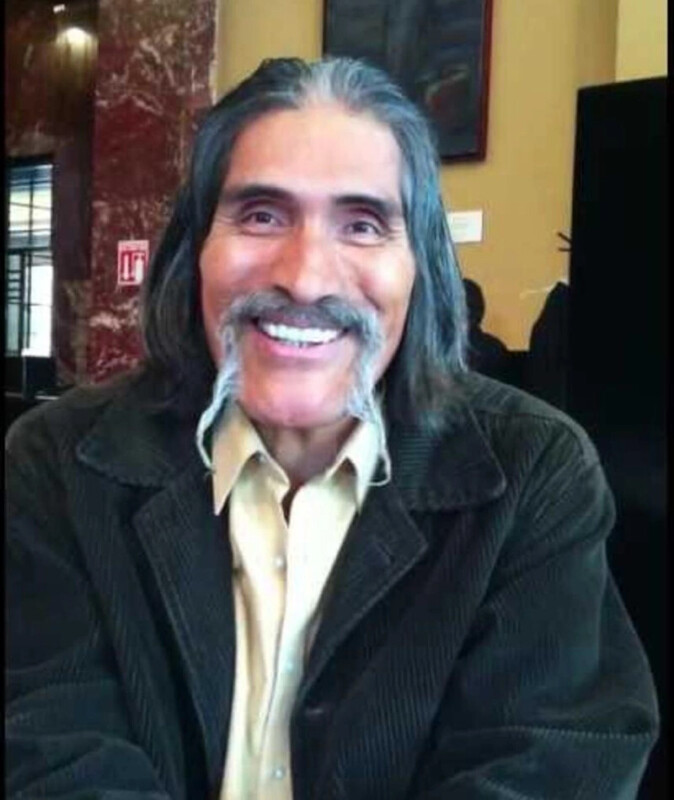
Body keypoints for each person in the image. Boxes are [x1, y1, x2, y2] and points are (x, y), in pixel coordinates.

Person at [5, 57, 658, 800]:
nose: (306, 277)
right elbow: (51, 752)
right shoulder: (57, 463)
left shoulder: (534, 472)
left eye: (362, 224)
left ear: (421, 267)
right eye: (262, 215)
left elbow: (548, 767)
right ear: (194, 250)